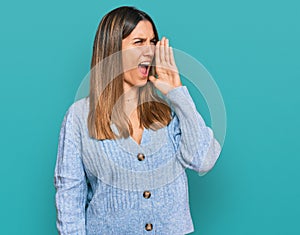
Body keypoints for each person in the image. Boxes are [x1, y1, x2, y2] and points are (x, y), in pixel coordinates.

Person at [54, 6, 222, 235]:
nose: (149, 51)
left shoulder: (168, 112)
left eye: (152, 42)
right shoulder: (78, 117)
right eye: (138, 42)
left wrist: (177, 92)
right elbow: (69, 199)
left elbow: (203, 160)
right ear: (113, 50)